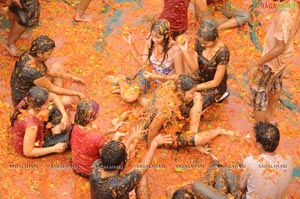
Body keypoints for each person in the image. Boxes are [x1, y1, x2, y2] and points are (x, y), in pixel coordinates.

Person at [134, 74, 235, 154]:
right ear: (181, 92)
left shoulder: (174, 87)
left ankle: (192, 133)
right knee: (200, 139)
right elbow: (153, 128)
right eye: (191, 92)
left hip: (170, 119)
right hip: (161, 133)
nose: (193, 94)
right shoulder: (167, 109)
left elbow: (174, 77)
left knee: (198, 97)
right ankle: (218, 131)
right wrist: (152, 145)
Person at [250, 0, 300, 123]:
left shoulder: (285, 15)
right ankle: (270, 117)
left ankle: (261, 128)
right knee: (275, 85)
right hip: (283, 57)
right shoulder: (293, 4)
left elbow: (279, 48)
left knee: (258, 91)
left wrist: (258, 63)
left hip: (272, 61)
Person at [111, 19, 185, 103]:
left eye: (158, 37)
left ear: (167, 35)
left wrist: (155, 76)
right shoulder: (150, 38)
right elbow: (143, 63)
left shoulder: (175, 50)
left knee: (147, 104)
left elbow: (180, 77)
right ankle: (122, 81)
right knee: (128, 98)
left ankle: (134, 91)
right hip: (149, 74)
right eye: (153, 35)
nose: (154, 39)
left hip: (166, 82)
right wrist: (131, 44)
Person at [90, 134, 173, 199]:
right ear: (120, 165)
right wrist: (154, 143)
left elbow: (113, 155)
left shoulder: (95, 166)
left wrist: (132, 137)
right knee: (142, 177)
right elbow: (143, 167)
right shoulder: (120, 185)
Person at [10, 35, 85, 107]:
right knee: (67, 100)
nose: (50, 56)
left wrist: (72, 77)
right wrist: (76, 93)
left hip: (35, 84)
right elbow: (52, 88)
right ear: (39, 53)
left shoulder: (30, 54)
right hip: (28, 99)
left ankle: (60, 93)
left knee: (57, 66)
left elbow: (49, 71)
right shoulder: (32, 71)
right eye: (48, 54)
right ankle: (59, 97)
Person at [179, 19, 230, 118]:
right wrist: (184, 51)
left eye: (206, 44)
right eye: (201, 42)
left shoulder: (223, 53)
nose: (202, 45)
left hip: (215, 86)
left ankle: (219, 97)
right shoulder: (200, 42)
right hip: (200, 75)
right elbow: (195, 68)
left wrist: (193, 89)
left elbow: (215, 82)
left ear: (215, 39)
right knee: (179, 89)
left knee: (188, 110)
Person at [70, 99, 127, 178]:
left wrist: (112, 130)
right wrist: (116, 137)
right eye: (97, 111)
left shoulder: (75, 126)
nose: (99, 112)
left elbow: (91, 135)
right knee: (120, 153)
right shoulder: (98, 137)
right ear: (90, 118)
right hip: (91, 172)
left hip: (76, 166)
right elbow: (107, 158)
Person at [10, 87, 69, 157]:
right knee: (70, 138)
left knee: (55, 107)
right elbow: (28, 152)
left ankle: (56, 131)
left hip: (33, 126)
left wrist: (64, 114)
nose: (49, 103)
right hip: (35, 144)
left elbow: (53, 97)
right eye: (46, 103)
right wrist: (54, 149)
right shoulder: (32, 126)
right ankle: (55, 137)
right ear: (38, 108)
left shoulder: (29, 100)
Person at [239, 122, 293, 198]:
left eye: (254, 137)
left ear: (259, 145)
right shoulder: (288, 159)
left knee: (227, 173)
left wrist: (246, 165)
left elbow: (241, 189)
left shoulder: (250, 162)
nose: (252, 139)